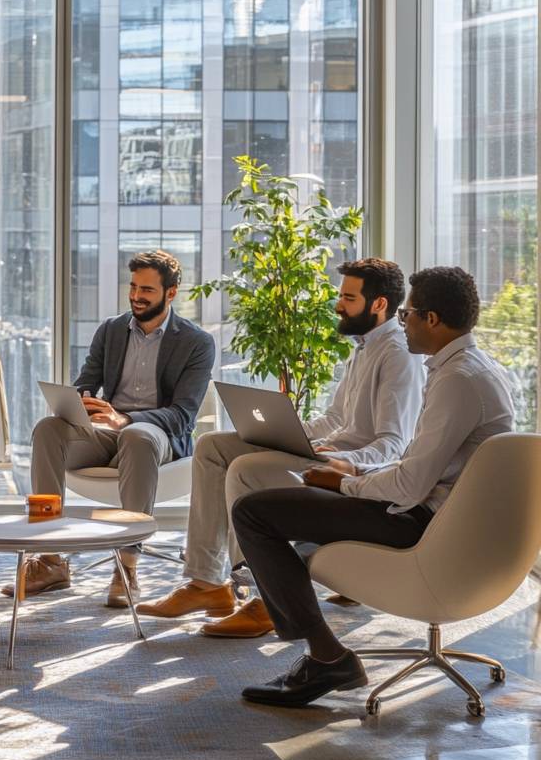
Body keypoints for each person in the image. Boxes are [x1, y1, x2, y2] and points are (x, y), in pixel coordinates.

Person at [233, 266, 513, 708]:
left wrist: (345, 483)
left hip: (421, 525)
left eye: (408, 315)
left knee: (253, 511)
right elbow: (420, 469)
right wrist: (355, 478)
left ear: (433, 320)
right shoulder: (473, 369)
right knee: (295, 515)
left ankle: (327, 658)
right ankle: (311, 630)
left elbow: (410, 485)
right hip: (442, 518)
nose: (403, 323)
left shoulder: (457, 381)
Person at [138, 258, 426, 637]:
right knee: (212, 447)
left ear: (378, 305)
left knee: (245, 468)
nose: (338, 304)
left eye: (348, 298)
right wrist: (289, 433)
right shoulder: (364, 346)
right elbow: (336, 417)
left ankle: (265, 598)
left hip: (349, 469)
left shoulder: (398, 355)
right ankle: (207, 584)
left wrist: (334, 458)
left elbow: (392, 445)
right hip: (326, 450)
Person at [7, 249, 215, 607]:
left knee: (136, 435)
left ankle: (127, 566)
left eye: (147, 290)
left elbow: (183, 415)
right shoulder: (111, 329)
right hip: (105, 432)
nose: (136, 296)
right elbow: (87, 383)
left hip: (158, 434)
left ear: (171, 293)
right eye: (133, 287)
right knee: (48, 429)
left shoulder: (196, 342)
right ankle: (51, 558)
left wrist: (128, 419)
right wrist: (79, 404)